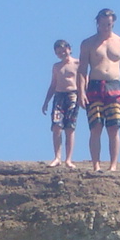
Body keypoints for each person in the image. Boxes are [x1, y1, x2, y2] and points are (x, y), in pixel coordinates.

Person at [79, 8, 120, 171]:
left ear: (113, 23)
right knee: (95, 126)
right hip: (94, 86)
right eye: (103, 24)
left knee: (114, 127)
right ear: (97, 23)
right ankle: (96, 165)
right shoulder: (88, 43)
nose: (106, 27)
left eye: (109, 24)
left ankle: (113, 165)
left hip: (114, 86)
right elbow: (82, 70)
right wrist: (81, 92)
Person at [41, 39, 82, 167]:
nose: (62, 53)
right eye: (59, 52)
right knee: (56, 127)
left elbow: (83, 81)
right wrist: (46, 101)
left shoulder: (77, 63)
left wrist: (83, 96)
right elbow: (53, 84)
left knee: (69, 128)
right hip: (58, 96)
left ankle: (68, 159)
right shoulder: (56, 67)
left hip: (72, 95)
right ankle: (57, 157)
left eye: (64, 50)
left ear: (69, 49)